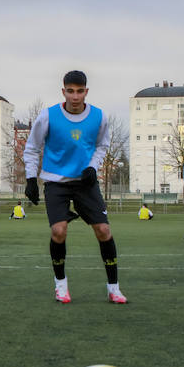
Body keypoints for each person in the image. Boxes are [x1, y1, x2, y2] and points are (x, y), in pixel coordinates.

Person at [23, 69, 125, 305]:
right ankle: (61, 286)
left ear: (86, 92)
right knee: (58, 231)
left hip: (85, 182)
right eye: (70, 91)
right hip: (56, 182)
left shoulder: (99, 117)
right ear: (63, 91)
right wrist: (31, 179)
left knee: (104, 231)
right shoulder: (48, 116)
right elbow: (31, 147)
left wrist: (93, 166)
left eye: (80, 91)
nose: (75, 96)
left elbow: (102, 145)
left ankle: (114, 289)